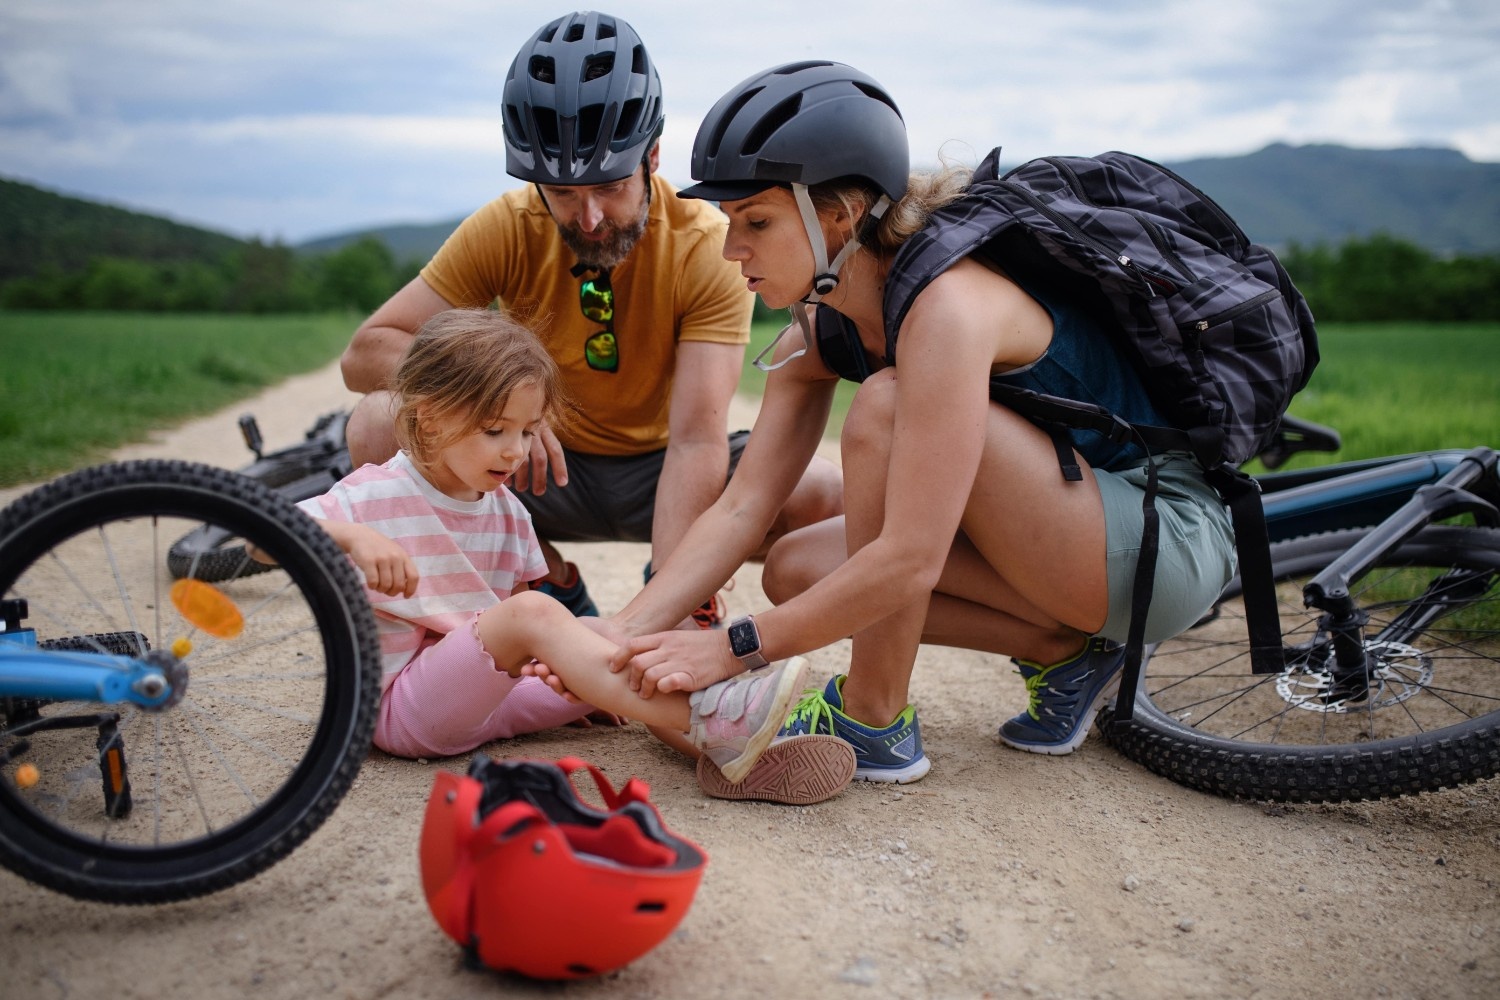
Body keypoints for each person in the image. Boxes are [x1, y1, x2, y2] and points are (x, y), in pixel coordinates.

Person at [587, 62, 1238, 785]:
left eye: (757, 222)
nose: (729, 248)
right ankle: (1071, 653)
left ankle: (874, 720)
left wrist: (734, 648)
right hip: (1072, 532)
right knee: (796, 570)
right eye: (730, 222)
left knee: (884, 409)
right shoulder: (823, 323)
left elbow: (909, 559)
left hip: (1162, 540)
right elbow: (744, 504)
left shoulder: (948, 307)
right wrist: (624, 634)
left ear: (839, 213)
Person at [338, 11, 842, 626]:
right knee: (376, 424)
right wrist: (492, 401)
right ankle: (544, 585)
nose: (590, 217)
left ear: (652, 156)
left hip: (662, 470)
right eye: (563, 194)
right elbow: (366, 352)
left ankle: (681, 597)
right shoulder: (506, 224)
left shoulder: (705, 244)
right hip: (535, 465)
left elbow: (695, 439)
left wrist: (670, 600)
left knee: (826, 495)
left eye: (608, 186)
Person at [283, 308, 814, 788]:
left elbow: (508, 636)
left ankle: (723, 755)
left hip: (489, 700)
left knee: (609, 636)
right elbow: (260, 537)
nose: (515, 452)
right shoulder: (373, 496)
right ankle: (715, 713)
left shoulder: (506, 513)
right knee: (538, 613)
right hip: (401, 709)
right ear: (427, 416)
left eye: (529, 432)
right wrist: (352, 538)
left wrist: (584, 675)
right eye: (495, 430)